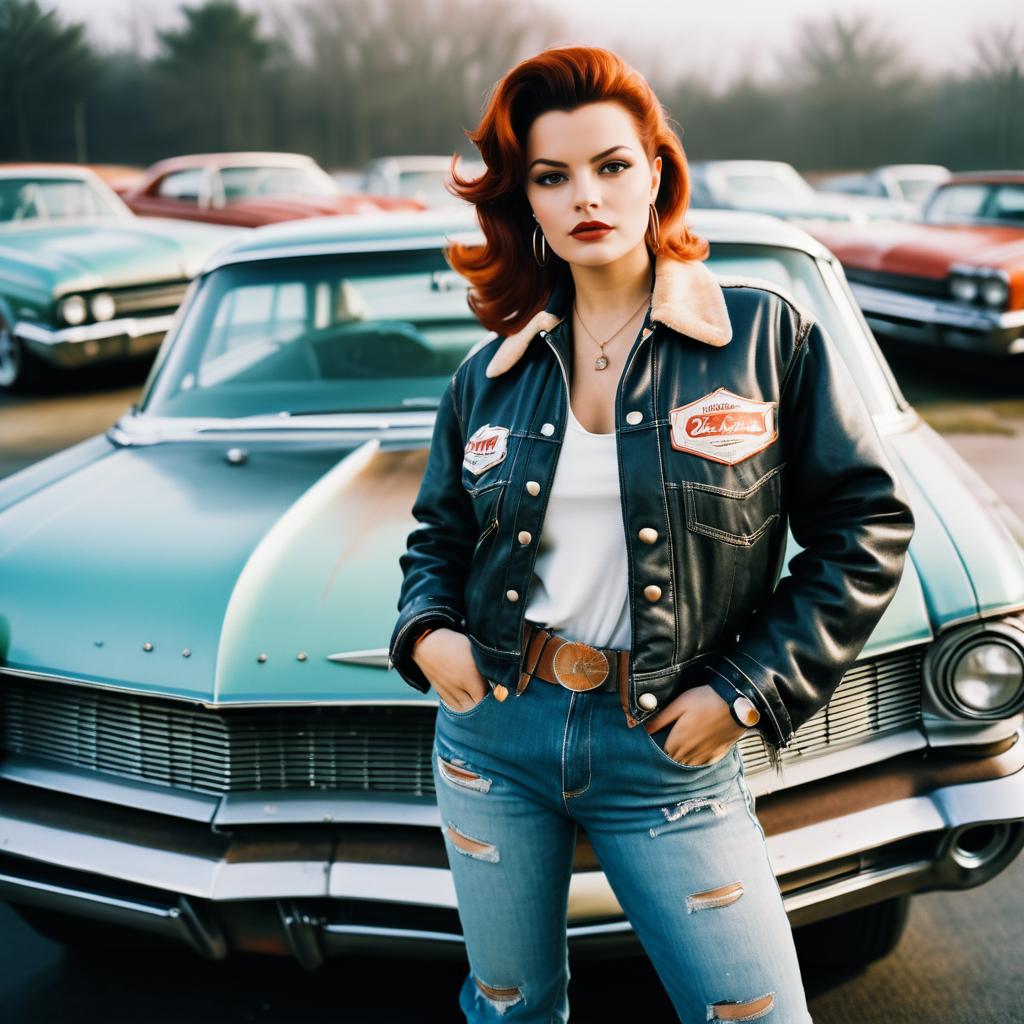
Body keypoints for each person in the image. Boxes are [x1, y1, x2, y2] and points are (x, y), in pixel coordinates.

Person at [387, 45, 915, 1024]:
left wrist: (749, 690)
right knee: (509, 1006)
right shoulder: (489, 376)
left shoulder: (762, 337)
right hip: (491, 738)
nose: (585, 194)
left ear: (657, 173)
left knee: (750, 1012)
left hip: (669, 745)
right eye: (552, 176)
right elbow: (439, 534)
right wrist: (426, 630)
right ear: (526, 203)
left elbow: (864, 528)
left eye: (611, 165)